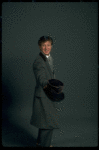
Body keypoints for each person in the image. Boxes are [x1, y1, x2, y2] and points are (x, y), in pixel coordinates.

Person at [30, 36, 60, 147]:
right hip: (44, 95)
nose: (46, 48)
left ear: (51, 46)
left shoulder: (48, 57)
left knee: (44, 121)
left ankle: (39, 142)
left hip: (47, 94)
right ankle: (45, 145)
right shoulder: (39, 61)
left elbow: (50, 74)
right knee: (48, 122)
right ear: (39, 46)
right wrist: (50, 85)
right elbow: (41, 78)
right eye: (43, 45)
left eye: (48, 45)